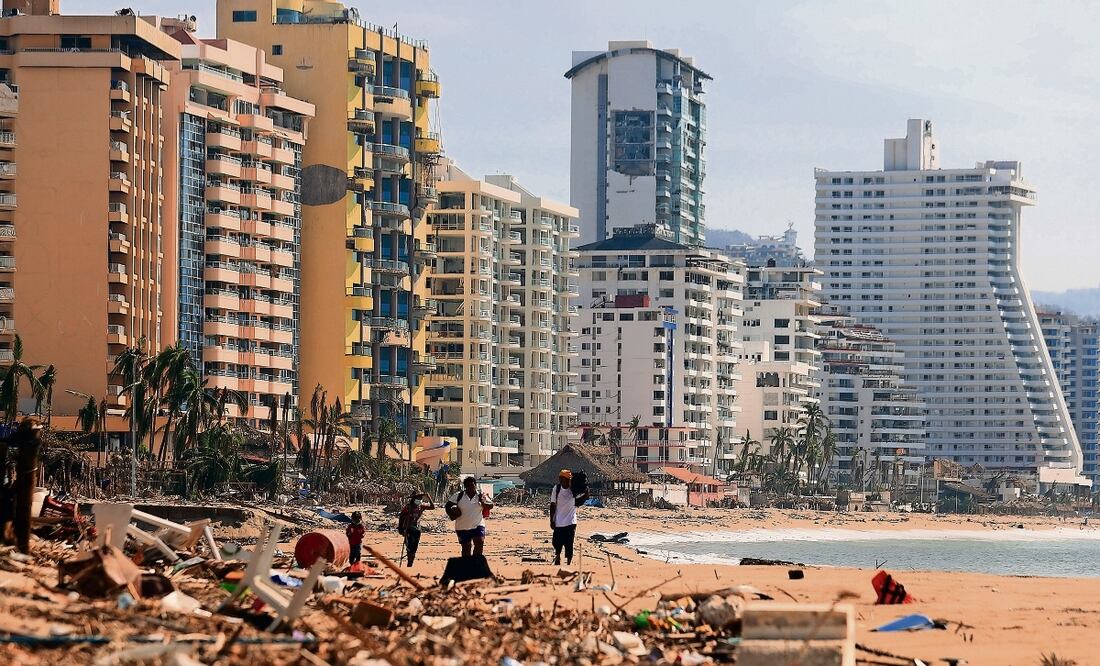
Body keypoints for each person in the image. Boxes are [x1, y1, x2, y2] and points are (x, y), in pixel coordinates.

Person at [445, 476, 492, 557]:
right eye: (468, 485)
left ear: (475, 485)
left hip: (478, 524)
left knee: (479, 542)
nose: (471, 487)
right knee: (466, 547)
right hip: (462, 526)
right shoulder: (458, 495)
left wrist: (483, 503)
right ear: (465, 486)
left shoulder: (481, 495)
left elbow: (491, 505)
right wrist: (452, 515)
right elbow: (447, 506)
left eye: (473, 485)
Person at [550, 469, 589, 566]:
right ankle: (558, 556)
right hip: (558, 521)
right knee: (556, 542)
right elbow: (552, 504)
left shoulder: (574, 489)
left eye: (567, 479)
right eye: (562, 479)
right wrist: (552, 520)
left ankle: (568, 563)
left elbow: (578, 502)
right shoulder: (557, 488)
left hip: (571, 522)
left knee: (569, 544)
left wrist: (586, 495)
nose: (564, 481)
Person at [398, 491, 434, 566]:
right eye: (418, 498)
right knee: (409, 546)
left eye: (421, 498)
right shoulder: (408, 507)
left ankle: (411, 561)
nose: (420, 500)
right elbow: (401, 517)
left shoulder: (421, 506)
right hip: (408, 528)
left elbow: (432, 507)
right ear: (414, 499)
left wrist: (429, 497)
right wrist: (401, 528)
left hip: (417, 529)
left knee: (414, 547)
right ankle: (409, 561)